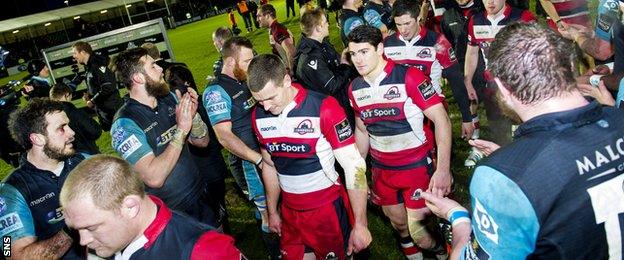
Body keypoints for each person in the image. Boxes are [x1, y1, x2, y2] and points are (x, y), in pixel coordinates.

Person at [422, 22, 624, 259]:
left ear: (503, 89)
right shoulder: (617, 117)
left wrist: (459, 219)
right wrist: (517, 164)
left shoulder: (501, 180)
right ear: (570, 67)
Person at [247, 54, 371, 259]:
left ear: (286, 81)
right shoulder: (258, 115)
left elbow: (354, 166)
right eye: (259, 100)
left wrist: (360, 224)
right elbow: (269, 165)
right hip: (290, 213)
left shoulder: (324, 107)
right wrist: (272, 211)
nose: (266, 107)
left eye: (270, 98)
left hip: (326, 211)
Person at [347, 25, 451, 259]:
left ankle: (445, 253)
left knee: (420, 234)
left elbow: (441, 120)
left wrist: (443, 169)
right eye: (353, 54)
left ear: (380, 48)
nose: (358, 60)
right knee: (400, 226)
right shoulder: (355, 89)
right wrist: (357, 171)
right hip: (382, 171)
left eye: (364, 52)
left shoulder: (409, 76)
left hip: (414, 167)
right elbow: (362, 131)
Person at [60, 155, 244, 259]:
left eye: (90, 228)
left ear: (130, 207)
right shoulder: (101, 246)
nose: (82, 241)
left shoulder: (203, 252)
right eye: (77, 229)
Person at [109, 48, 215, 227]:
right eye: (152, 66)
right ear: (138, 78)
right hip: (171, 214)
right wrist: (181, 129)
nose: (160, 69)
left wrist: (193, 116)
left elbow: (202, 142)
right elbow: (154, 178)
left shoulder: (169, 98)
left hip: (200, 193)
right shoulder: (125, 125)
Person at [202, 37, 280, 259]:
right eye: (247, 61)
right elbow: (224, 137)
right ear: (229, 62)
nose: (252, 64)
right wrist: (257, 159)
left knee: (275, 206)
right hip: (252, 164)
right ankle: (277, 253)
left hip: (267, 154)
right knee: (269, 213)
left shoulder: (243, 78)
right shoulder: (216, 91)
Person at [3, 98, 86, 259]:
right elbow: (10, 254)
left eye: (68, 125)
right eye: (62, 128)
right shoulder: (11, 192)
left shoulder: (84, 162)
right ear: (37, 139)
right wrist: (72, 227)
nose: (72, 132)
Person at [384, 0, 473, 146]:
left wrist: (467, 117)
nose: (403, 30)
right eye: (398, 24)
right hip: (400, 113)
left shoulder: (438, 42)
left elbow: (455, 78)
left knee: (440, 163)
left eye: (407, 23)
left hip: (432, 111)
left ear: (418, 17)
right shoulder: (387, 44)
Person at [165, 64, 231, 232]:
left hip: (209, 171)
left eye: (175, 85)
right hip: (202, 174)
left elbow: (212, 138)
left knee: (217, 213)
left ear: (186, 84)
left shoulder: (198, 106)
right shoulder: (175, 111)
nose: (172, 91)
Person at [464, 0, 535, 146]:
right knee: (499, 134)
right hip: (492, 87)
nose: (490, 2)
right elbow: (472, 53)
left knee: (524, 132)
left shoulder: (524, 18)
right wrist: (468, 80)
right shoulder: (475, 21)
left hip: (519, 86)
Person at [440, 0, 487, 166]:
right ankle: (475, 148)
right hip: (464, 67)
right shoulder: (448, 16)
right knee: (471, 104)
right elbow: (447, 43)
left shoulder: (485, 8)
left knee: (500, 110)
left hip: (489, 65)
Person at [294, 8, 357, 125]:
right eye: (325, 22)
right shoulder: (311, 57)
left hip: (339, 104)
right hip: (331, 113)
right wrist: (345, 66)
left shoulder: (321, 44)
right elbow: (331, 86)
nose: (328, 24)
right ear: (318, 27)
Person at [71, 41, 123, 131]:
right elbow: (98, 86)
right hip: (105, 111)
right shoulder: (89, 66)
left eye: (75, 53)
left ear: (83, 52)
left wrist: (92, 100)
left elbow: (108, 87)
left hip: (112, 110)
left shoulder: (98, 64)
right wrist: (89, 94)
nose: (73, 56)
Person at [49, 83, 102, 156]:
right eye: (71, 96)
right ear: (66, 95)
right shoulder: (74, 111)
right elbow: (95, 131)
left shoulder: (48, 117)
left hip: (63, 158)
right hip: (84, 154)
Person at [257, 4, 296, 73]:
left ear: (267, 16)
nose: (257, 20)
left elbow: (291, 51)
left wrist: (291, 72)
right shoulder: (274, 28)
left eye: (259, 16)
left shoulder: (277, 30)